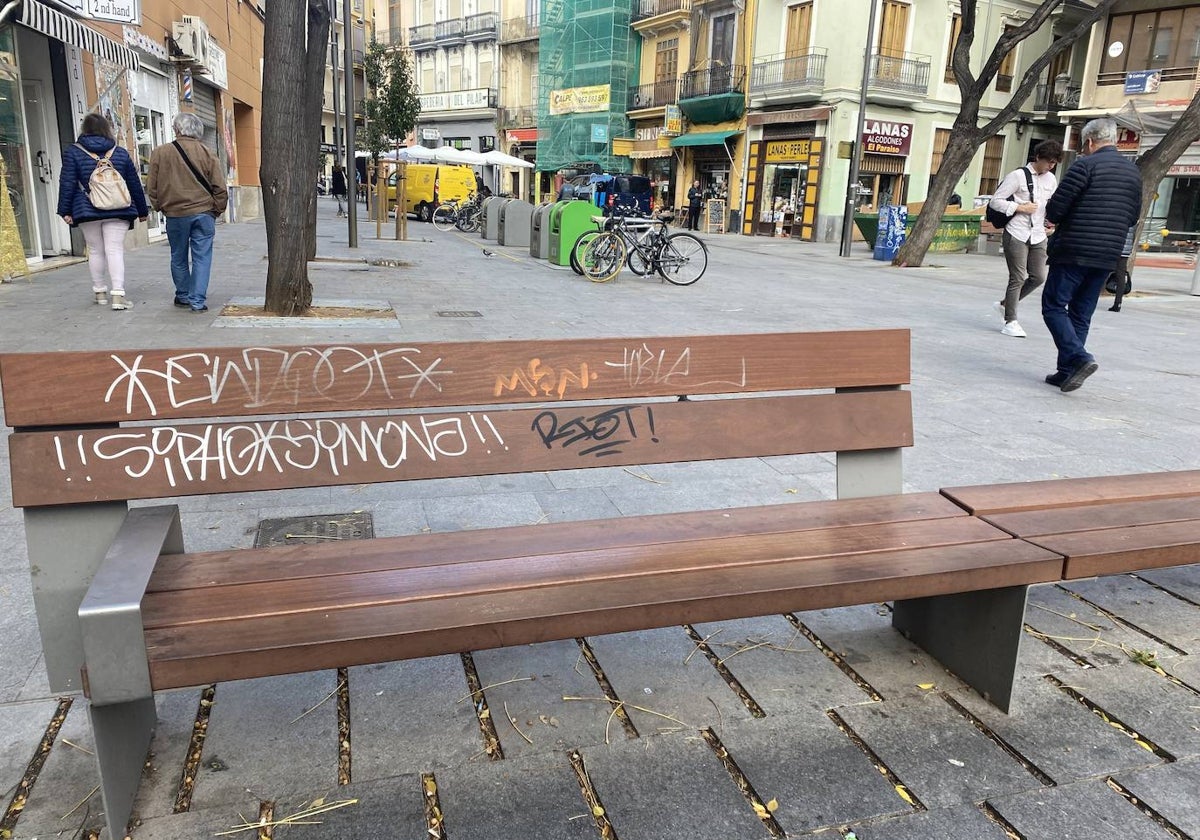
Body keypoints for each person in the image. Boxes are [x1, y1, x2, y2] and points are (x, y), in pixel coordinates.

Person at [1041, 119, 1141, 392]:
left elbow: (1056, 210)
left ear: (1088, 142)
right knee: (1082, 313)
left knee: (1053, 305)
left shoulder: (1083, 166)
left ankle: (1079, 357)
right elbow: (1132, 217)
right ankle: (1067, 371)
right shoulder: (1133, 173)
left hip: (1074, 249)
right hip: (1108, 254)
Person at [57, 113, 148, 311]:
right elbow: (133, 183)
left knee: (96, 249)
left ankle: (100, 293)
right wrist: (142, 210)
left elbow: (67, 182)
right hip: (119, 207)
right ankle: (118, 295)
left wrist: (64, 210)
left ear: (84, 129)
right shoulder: (121, 152)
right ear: (107, 129)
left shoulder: (73, 152)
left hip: (86, 207)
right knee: (114, 249)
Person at [147, 113, 228, 313]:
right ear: (198, 131)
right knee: (202, 256)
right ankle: (197, 301)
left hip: (175, 213)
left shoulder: (160, 153)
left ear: (176, 129)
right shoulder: (207, 153)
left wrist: (160, 206)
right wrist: (216, 210)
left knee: (178, 255)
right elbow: (220, 187)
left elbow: (152, 186)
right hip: (203, 212)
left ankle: (183, 295)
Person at [988, 139, 1063, 338]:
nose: (1050, 166)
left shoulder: (1051, 180)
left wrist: (1051, 222)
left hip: (1038, 234)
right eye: (1048, 161)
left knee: (1038, 276)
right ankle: (1010, 321)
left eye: (1054, 163)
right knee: (1018, 277)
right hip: (1016, 232)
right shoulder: (1017, 176)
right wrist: (1019, 207)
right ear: (1038, 157)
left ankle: (1005, 305)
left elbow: (1050, 204)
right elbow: (995, 202)